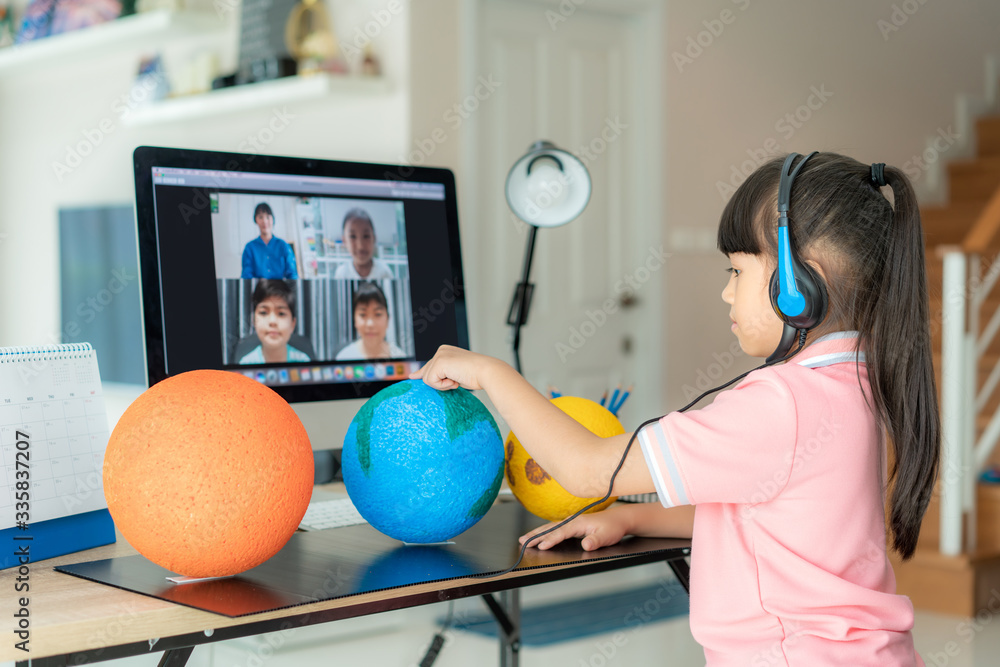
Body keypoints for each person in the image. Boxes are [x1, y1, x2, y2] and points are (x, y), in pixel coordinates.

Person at [412, 153, 938, 666]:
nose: (725, 293)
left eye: (736, 271)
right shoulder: (855, 380)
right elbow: (771, 519)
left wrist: (489, 373)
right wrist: (632, 517)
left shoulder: (780, 404)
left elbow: (586, 469)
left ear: (801, 287)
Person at [239, 280, 311, 364]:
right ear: (254, 321)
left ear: (293, 324)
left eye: (281, 313)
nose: (272, 321)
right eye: (263, 312)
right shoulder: (245, 364)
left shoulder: (303, 361)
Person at [335, 281, 406, 360]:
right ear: (354, 320)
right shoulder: (344, 357)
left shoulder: (399, 356)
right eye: (363, 315)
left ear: (388, 319)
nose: (370, 324)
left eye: (378, 314)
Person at [333, 207, 394, 280]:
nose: (360, 246)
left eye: (366, 236)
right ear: (344, 241)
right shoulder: (341, 274)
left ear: (374, 238)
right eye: (352, 236)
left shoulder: (384, 272)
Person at [241, 202, 299, 279]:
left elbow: (292, 274)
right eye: (260, 217)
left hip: (280, 290)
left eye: (268, 217)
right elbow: (246, 277)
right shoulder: (250, 248)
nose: (264, 221)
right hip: (259, 289)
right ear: (256, 220)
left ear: (273, 219)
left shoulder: (283, 245)